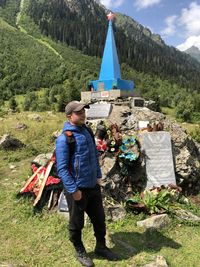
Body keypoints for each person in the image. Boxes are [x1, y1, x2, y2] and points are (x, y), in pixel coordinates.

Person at [56, 101, 118, 267]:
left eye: (84, 111)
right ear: (69, 116)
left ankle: (101, 247)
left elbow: (94, 156)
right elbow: (61, 169)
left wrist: (98, 176)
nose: (83, 114)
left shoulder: (88, 131)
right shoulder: (64, 139)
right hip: (77, 189)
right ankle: (80, 250)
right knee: (77, 223)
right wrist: (73, 190)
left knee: (99, 219)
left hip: (93, 186)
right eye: (79, 112)